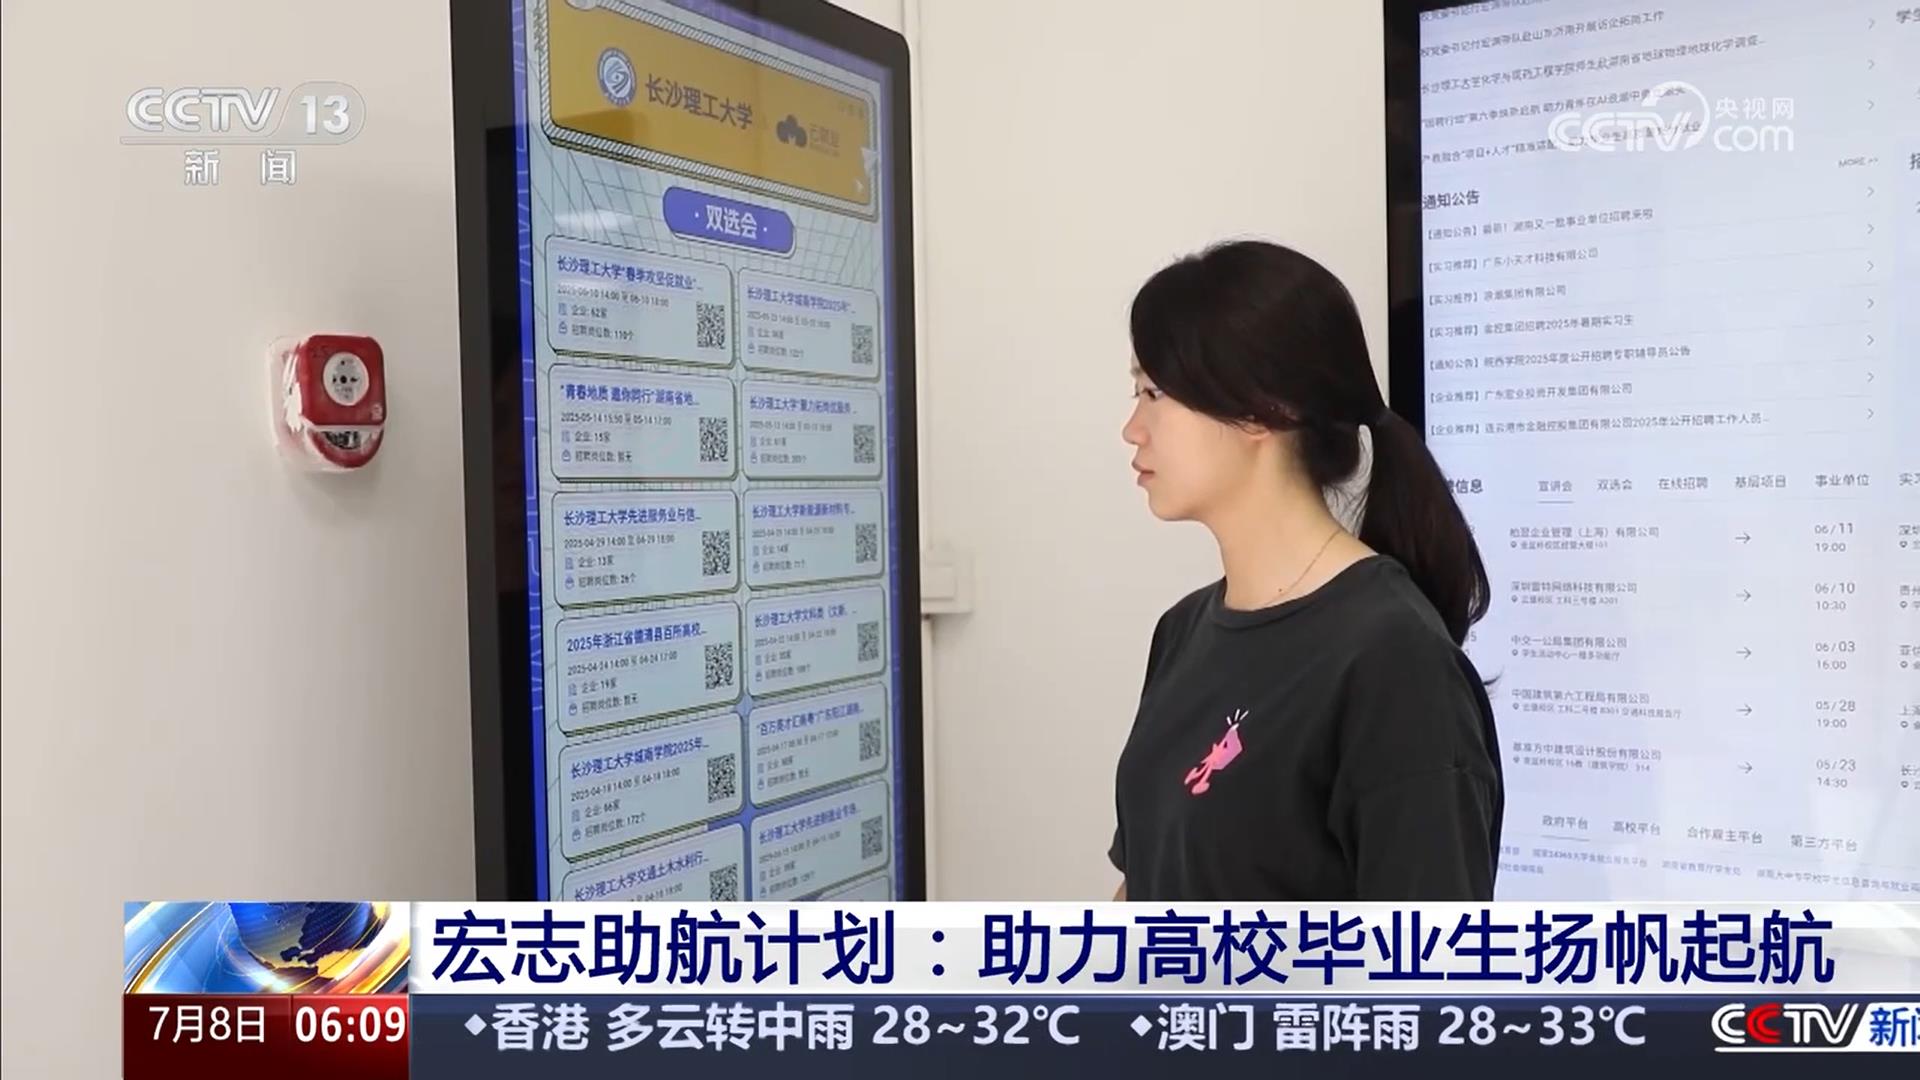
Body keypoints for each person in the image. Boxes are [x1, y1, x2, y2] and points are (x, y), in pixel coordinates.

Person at [1109, 239, 1504, 901]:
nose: (1132, 428)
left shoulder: (1393, 664)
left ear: (1262, 409)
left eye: (1154, 393)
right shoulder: (1182, 633)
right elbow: (1146, 883)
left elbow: (1431, 955)